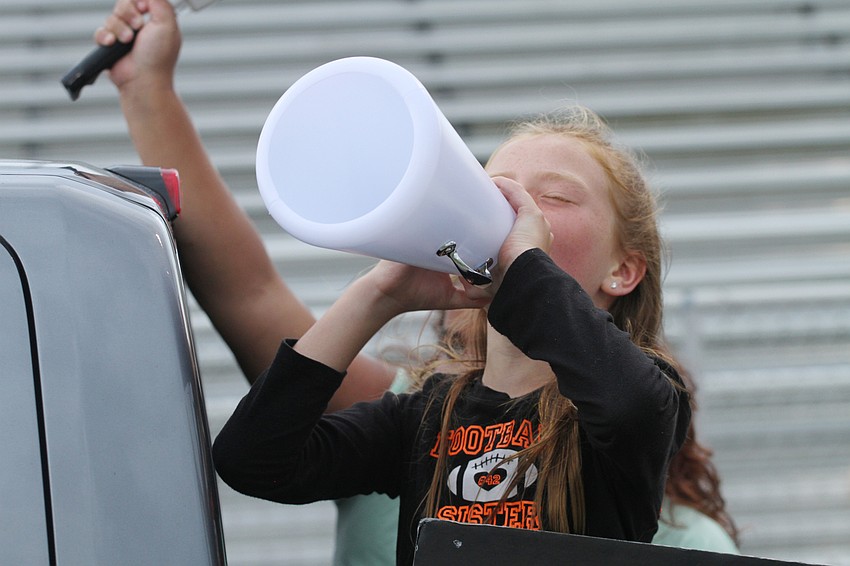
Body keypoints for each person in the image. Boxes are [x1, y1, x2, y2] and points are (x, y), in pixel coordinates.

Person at [211, 103, 693, 565]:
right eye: (495, 192)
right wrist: (379, 294)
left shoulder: (648, 395)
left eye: (556, 197)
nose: (513, 210)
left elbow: (628, 402)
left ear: (622, 271)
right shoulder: (424, 416)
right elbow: (251, 460)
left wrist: (525, 265)